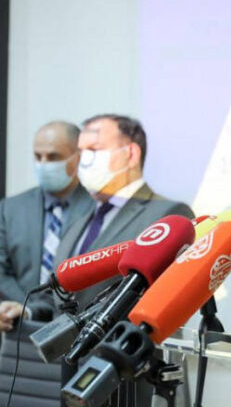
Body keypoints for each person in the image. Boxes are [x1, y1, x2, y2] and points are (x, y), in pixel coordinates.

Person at [54, 113, 194, 310]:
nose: (83, 160)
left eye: (94, 149)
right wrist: (27, 312)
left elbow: (165, 299)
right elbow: (58, 292)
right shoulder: (78, 216)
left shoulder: (169, 215)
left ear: (131, 154)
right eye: (81, 151)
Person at [0, 121, 94, 330]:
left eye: (53, 157)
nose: (43, 164)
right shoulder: (10, 208)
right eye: (38, 156)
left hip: (76, 331)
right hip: (18, 328)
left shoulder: (97, 209)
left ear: (78, 157)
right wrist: (30, 308)